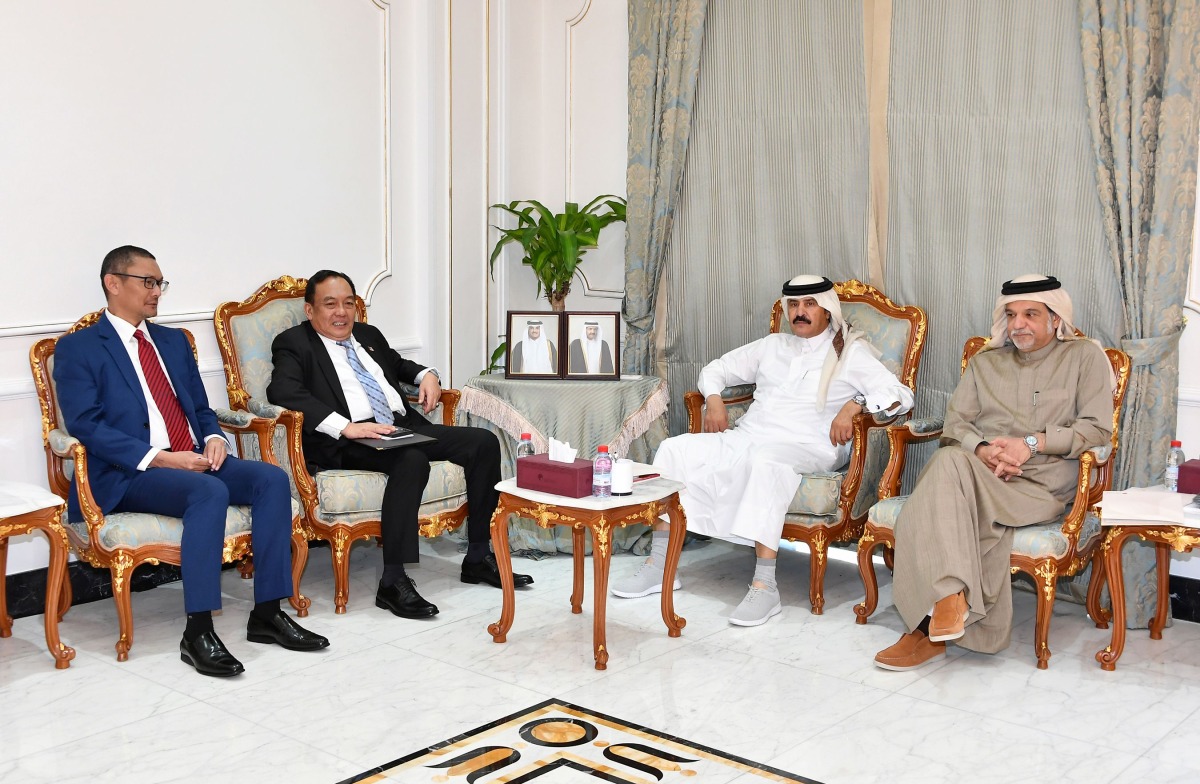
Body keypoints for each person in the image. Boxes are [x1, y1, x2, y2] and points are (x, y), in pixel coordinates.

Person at [53, 246, 328, 678]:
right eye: (148, 282)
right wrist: (160, 458)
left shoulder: (171, 342)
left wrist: (215, 438)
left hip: (193, 459)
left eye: (160, 283)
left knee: (271, 480)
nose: (157, 291)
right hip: (130, 473)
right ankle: (198, 631)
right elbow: (86, 425)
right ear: (113, 282)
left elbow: (200, 409)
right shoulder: (79, 349)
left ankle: (268, 614)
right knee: (208, 490)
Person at [611, 275, 914, 626]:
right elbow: (716, 370)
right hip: (752, 434)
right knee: (674, 449)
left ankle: (765, 586)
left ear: (827, 310)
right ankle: (660, 565)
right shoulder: (773, 345)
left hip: (810, 444)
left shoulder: (850, 352)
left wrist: (855, 404)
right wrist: (713, 400)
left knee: (767, 461)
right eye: (794, 305)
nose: (800, 313)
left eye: (809, 305)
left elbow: (900, 396)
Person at [874, 274, 1114, 671]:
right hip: (981, 474)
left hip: (1041, 486)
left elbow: (1096, 430)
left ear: (1056, 319)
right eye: (1011, 314)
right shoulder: (986, 362)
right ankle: (945, 604)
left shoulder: (1083, 357)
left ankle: (927, 623)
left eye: (1030, 314)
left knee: (938, 485)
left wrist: (1030, 443)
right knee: (952, 461)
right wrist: (984, 451)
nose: (1018, 324)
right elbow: (956, 427)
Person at [266, 270, 533, 620]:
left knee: (481, 443)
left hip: (399, 427)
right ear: (309, 310)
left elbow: (399, 365)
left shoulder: (367, 335)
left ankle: (479, 557)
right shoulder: (294, 343)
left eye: (349, 303)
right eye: (330, 304)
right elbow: (282, 391)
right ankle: (392, 580)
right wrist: (346, 427)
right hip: (351, 439)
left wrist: (427, 375)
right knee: (411, 460)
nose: (341, 312)